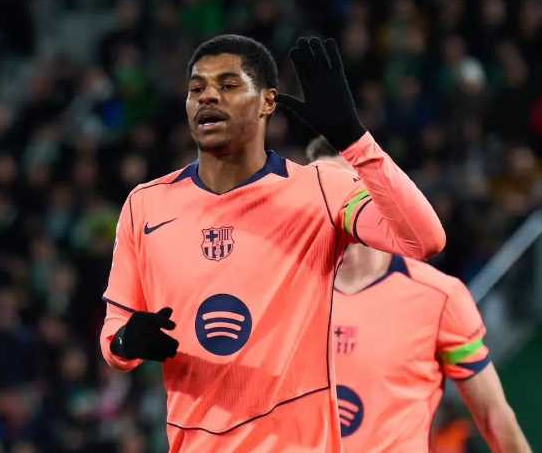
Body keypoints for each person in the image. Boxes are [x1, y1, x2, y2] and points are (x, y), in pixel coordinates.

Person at [99, 34, 446, 452]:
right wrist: (127, 342)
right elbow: (114, 335)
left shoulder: (322, 189)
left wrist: (354, 139)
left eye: (228, 85)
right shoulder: (146, 205)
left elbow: (423, 238)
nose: (207, 96)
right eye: (196, 88)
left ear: (268, 102)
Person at [306, 136, 531, 453]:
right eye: (320, 186)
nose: (332, 199)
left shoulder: (439, 296)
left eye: (346, 185)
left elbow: (494, 416)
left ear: (377, 194)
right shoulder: (283, 289)